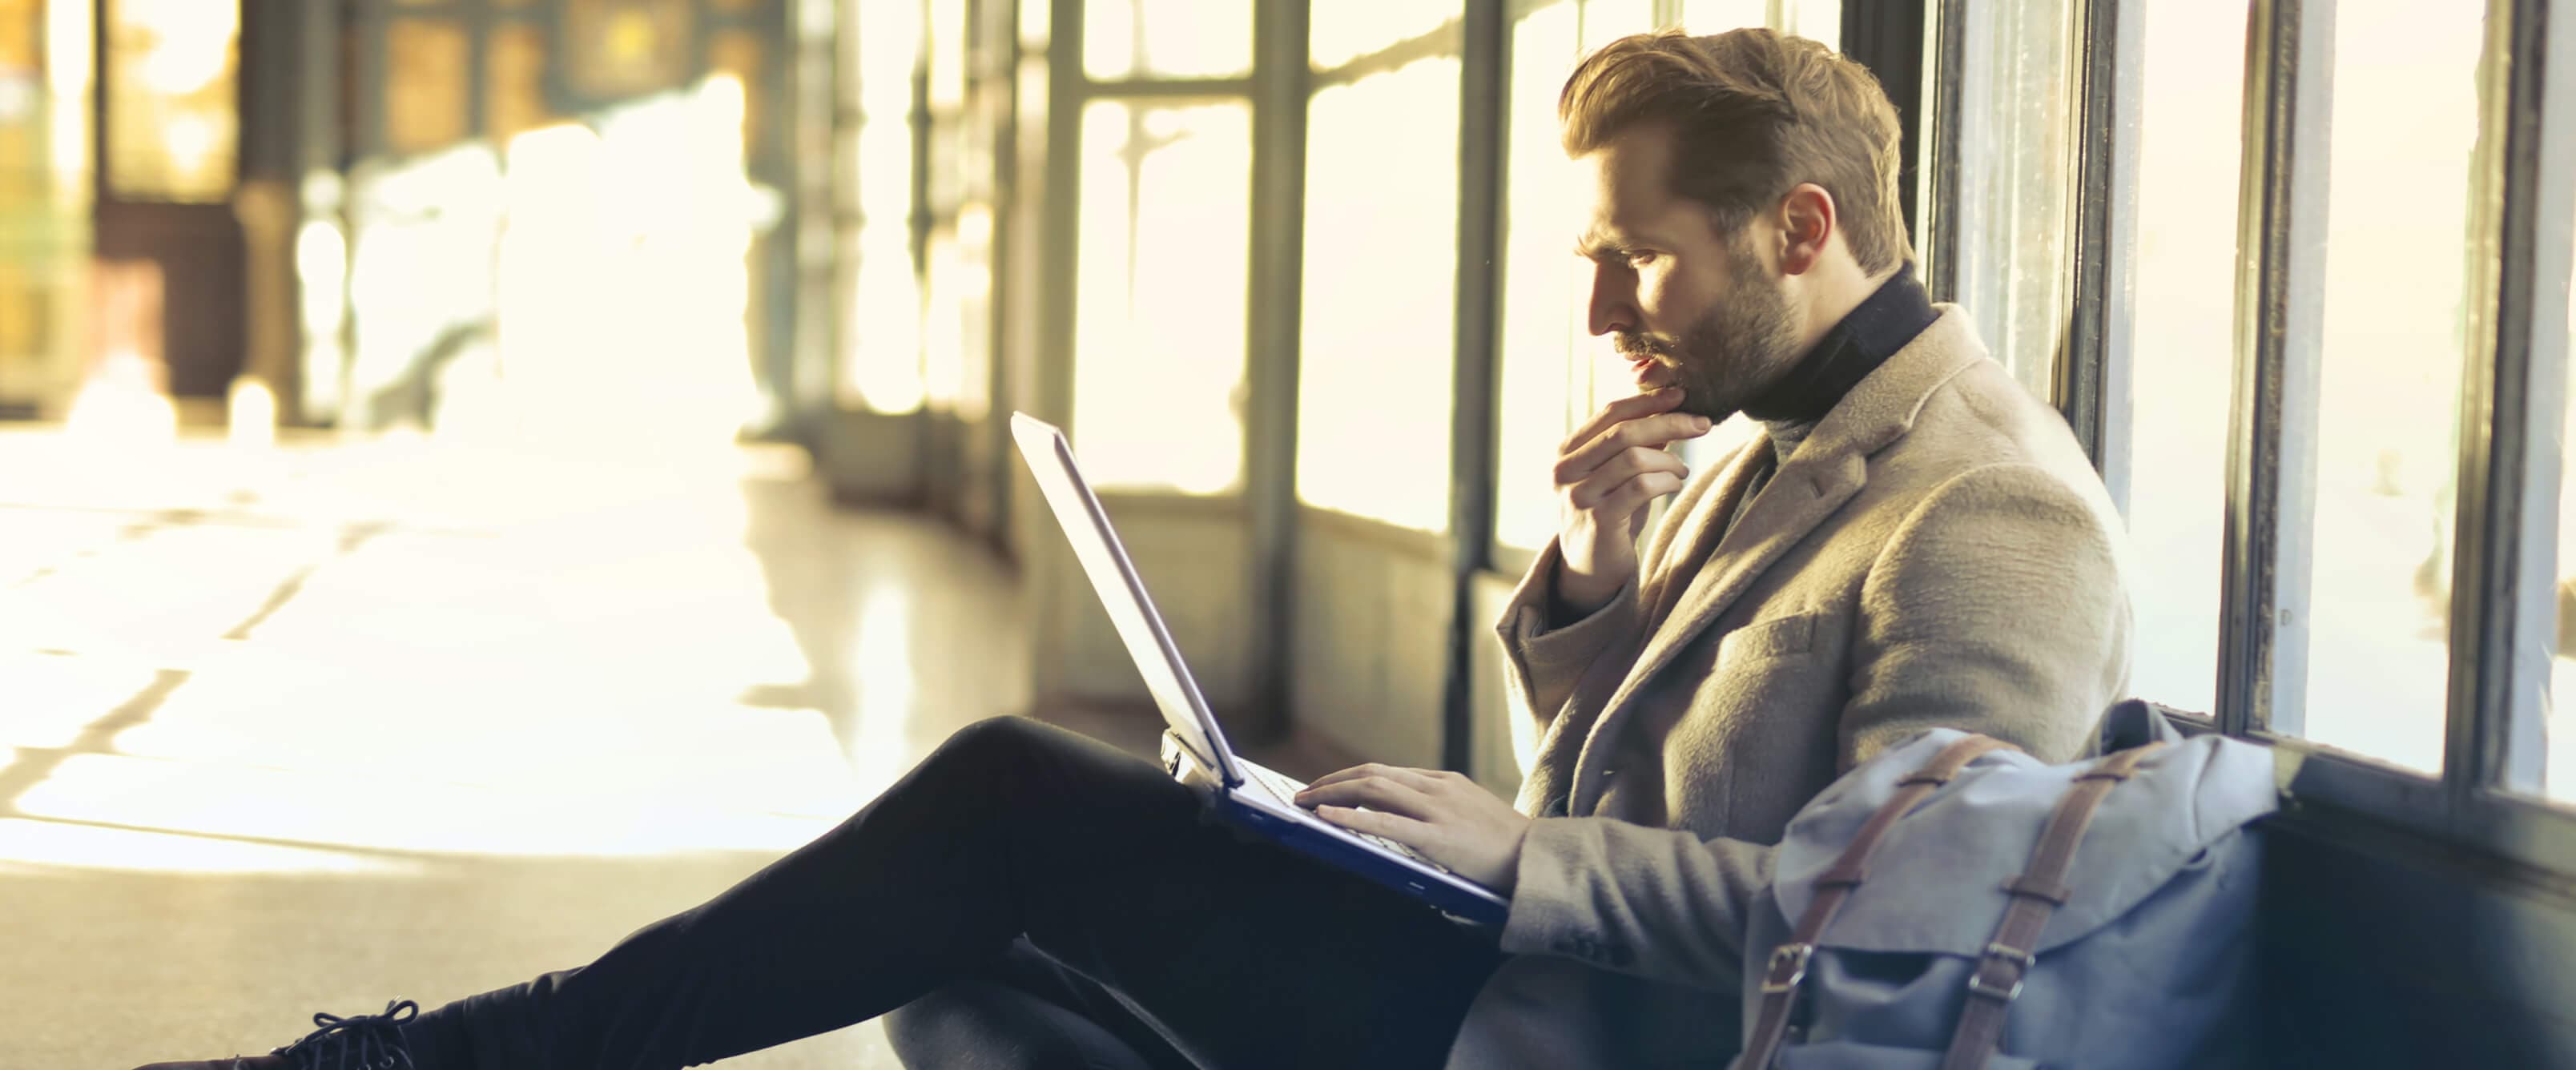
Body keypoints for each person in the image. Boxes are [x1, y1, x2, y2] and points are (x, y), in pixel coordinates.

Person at [136, 26, 2129, 1070]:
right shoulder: (1773, 431)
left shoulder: (1990, 509)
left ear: (1799, 229)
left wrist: (1514, 857)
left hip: (1566, 1036)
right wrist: (1599, 586)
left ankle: (471, 1066)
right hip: (1515, 976)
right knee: (962, 981)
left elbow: (1899, 929)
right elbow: (1666, 779)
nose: (1609, 312)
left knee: (1010, 803)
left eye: (1641, 260)